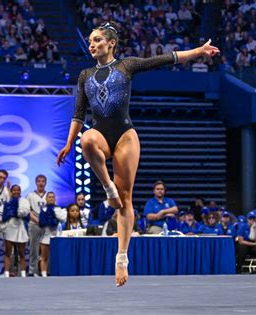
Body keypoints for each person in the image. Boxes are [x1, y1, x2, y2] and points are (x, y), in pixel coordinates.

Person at [57, 21, 219, 286]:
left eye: (97, 40)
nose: (91, 44)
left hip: (125, 135)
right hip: (101, 133)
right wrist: (67, 143)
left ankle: (122, 258)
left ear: (111, 43)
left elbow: (166, 59)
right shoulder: (85, 75)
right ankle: (107, 186)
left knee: (126, 199)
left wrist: (199, 51)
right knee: (86, 141)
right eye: (89, 41)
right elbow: (78, 114)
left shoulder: (127, 65)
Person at [2, 185, 30, 277]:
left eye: (18, 190)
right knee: (8, 252)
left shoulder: (24, 202)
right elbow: (4, 217)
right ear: (11, 191)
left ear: (20, 191)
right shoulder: (7, 203)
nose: (16, 192)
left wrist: (21, 214)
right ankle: (6, 274)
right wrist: (11, 213)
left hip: (21, 227)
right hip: (10, 227)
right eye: (14, 190)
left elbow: (28, 217)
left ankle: (23, 274)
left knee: (21, 253)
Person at [38, 192, 66, 277]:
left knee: (56, 257)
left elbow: (63, 219)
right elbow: (41, 223)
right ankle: (44, 274)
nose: (51, 198)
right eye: (49, 197)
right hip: (46, 236)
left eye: (52, 197)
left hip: (56, 236)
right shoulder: (43, 210)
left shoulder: (58, 209)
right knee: (44, 257)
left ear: (55, 199)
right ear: (46, 199)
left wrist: (55, 215)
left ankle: (57, 273)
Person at [26, 175, 47, 276]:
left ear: (45, 183)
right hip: (34, 224)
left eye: (43, 181)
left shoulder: (49, 195)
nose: (41, 183)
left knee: (45, 250)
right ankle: (32, 271)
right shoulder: (30, 195)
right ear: (36, 183)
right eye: (39, 181)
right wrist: (37, 221)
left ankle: (45, 270)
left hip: (46, 226)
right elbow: (27, 211)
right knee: (33, 249)